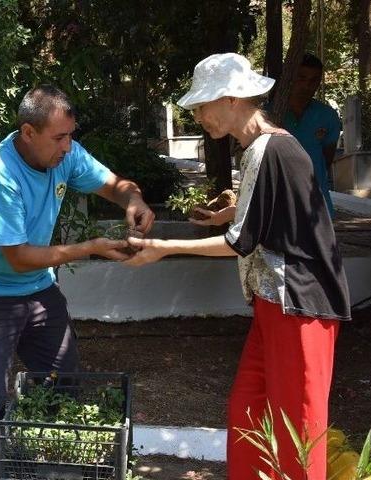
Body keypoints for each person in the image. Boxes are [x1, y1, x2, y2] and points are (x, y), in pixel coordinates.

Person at [124, 53, 350, 480]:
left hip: (299, 304)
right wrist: (227, 214)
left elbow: (241, 243)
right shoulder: (262, 147)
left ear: (231, 99)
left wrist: (162, 247)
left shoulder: (271, 148)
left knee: (298, 430)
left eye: (202, 105)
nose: (198, 115)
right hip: (274, 303)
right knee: (248, 412)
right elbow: (274, 215)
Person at [0, 84, 154, 478]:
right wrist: (90, 247)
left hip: (37, 288)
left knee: (64, 385)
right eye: (59, 137)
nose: (67, 146)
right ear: (28, 133)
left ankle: (39, 469)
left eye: (70, 136)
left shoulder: (64, 155)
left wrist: (134, 200)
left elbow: (112, 183)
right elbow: (19, 256)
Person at [284, 52, 342, 216]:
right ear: (290, 78)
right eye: (301, 78)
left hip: (317, 205)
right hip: (280, 204)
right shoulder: (271, 114)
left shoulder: (327, 116)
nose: (306, 86)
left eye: (313, 80)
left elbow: (326, 160)